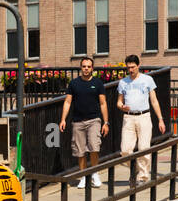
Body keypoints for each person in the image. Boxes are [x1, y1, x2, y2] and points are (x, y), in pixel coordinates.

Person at [59, 55, 109, 188]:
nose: (86, 69)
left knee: (94, 147)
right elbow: (68, 102)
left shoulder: (98, 83)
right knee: (80, 151)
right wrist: (63, 119)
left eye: (88, 67)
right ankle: (83, 176)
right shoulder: (74, 83)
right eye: (84, 66)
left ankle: (94, 174)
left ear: (92, 68)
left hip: (94, 120)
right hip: (78, 121)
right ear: (81, 68)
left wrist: (106, 122)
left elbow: (103, 103)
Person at [117, 54, 166, 185]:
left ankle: (143, 177)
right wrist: (122, 106)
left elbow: (154, 101)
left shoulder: (147, 80)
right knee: (125, 150)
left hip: (144, 116)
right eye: (128, 68)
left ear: (138, 66)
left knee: (144, 148)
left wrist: (160, 119)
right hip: (129, 117)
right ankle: (136, 170)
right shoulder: (123, 82)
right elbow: (119, 102)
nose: (131, 70)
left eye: (133, 67)